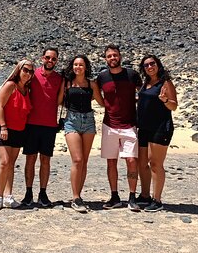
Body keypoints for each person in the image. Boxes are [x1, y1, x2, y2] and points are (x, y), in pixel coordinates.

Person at [97, 44, 143, 211]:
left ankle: (132, 196)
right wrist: (105, 106)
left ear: (120, 57)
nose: (112, 58)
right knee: (111, 162)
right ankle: (114, 196)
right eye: (109, 56)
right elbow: (95, 93)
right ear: (105, 59)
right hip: (109, 125)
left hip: (129, 125)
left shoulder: (131, 74)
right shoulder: (102, 77)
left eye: (115, 55)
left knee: (131, 160)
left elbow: (144, 91)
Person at [58, 54, 104, 213]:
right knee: (77, 159)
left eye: (81, 65)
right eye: (75, 65)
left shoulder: (92, 84)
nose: (78, 67)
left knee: (84, 161)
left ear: (86, 67)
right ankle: (75, 197)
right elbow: (58, 101)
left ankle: (79, 195)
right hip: (71, 120)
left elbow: (102, 102)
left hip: (89, 121)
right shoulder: (67, 83)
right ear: (72, 67)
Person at [21, 48, 62, 207]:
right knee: (30, 158)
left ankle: (43, 193)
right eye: (48, 57)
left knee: (45, 160)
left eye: (53, 59)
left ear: (56, 61)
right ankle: (28, 192)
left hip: (50, 125)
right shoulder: (32, 74)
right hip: (31, 124)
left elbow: (60, 100)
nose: (50, 61)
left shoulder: (60, 78)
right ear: (42, 58)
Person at [0, 59, 34, 211]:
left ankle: (9, 197)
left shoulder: (26, 90)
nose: (27, 74)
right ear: (19, 70)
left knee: (11, 164)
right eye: (25, 70)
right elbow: (0, 106)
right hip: (4, 128)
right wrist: (3, 127)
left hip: (18, 130)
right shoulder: (11, 85)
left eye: (30, 71)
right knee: (4, 162)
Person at [137, 54, 178, 212]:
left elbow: (174, 106)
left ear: (158, 65)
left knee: (155, 164)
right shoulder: (145, 83)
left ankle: (157, 199)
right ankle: (145, 195)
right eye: (146, 65)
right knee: (142, 163)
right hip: (144, 127)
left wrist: (165, 101)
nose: (149, 67)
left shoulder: (165, 83)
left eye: (152, 64)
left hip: (160, 127)